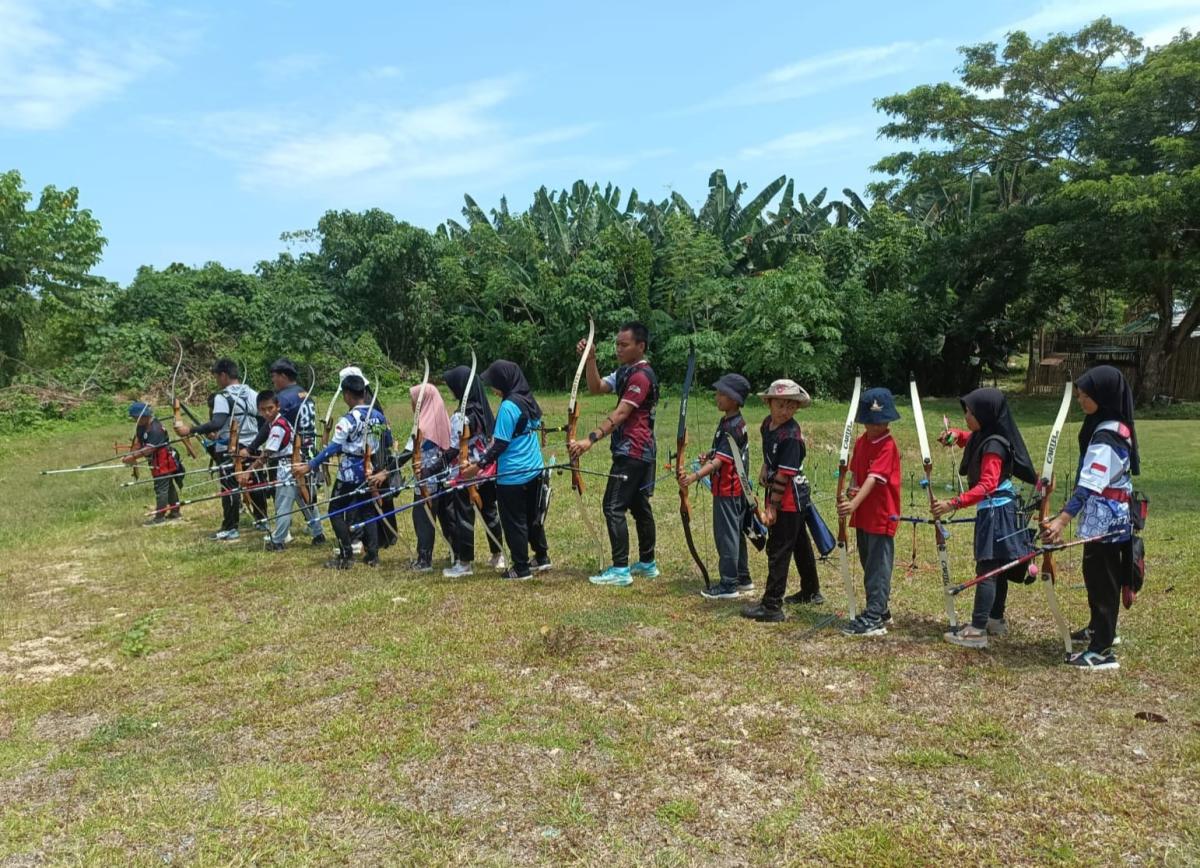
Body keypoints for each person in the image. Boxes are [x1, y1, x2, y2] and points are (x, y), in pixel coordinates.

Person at [1042, 365, 1140, 671]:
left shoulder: (1108, 434)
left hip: (1107, 525)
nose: (1080, 400)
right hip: (1106, 522)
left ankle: (1102, 651)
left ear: (1103, 396)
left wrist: (1060, 521)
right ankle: (1099, 629)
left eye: (1085, 395)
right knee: (1097, 579)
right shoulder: (1107, 424)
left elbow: (1090, 484)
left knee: (1103, 583)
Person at [932, 389, 1038, 648]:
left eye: (969, 412)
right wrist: (957, 435)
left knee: (989, 568)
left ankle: (977, 630)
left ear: (984, 414)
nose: (966, 416)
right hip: (1001, 510)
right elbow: (972, 438)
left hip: (996, 512)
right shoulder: (989, 436)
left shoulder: (993, 446)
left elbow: (988, 485)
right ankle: (994, 619)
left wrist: (952, 503)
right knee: (999, 567)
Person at [568, 321, 660, 586]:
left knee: (613, 505)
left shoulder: (641, 376)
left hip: (633, 451)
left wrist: (590, 439)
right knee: (638, 505)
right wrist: (591, 359)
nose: (619, 349)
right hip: (638, 450)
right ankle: (647, 563)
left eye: (624, 344)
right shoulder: (625, 372)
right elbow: (596, 387)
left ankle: (620, 570)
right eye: (617, 344)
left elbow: (621, 413)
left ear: (640, 346)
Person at [462, 360, 550, 581]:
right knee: (532, 517)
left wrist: (477, 467)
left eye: (494, 383)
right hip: (534, 470)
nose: (492, 388)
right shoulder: (527, 399)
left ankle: (521, 568)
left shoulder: (508, 406)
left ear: (504, 381)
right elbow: (534, 424)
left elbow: (499, 445)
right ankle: (541, 557)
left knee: (514, 522)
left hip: (512, 476)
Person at [743, 379, 821, 621]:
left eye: (791, 406)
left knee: (778, 549)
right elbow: (770, 455)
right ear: (769, 403)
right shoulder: (768, 425)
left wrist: (772, 509)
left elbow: (784, 478)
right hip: (784, 494)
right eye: (780, 405)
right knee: (798, 543)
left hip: (789, 498)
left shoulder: (791, 436)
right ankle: (811, 591)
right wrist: (765, 468)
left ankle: (772, 605)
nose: (785, 411)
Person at [678, 373, 755, 601]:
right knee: (735, 534)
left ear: (735, 399)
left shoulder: (733, 426)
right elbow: (724, 453)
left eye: (722, 394)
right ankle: (743, 578)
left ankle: (729, 584)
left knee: (727, 536)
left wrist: (694, 477)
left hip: (729, 490)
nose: (717, 396)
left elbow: (721, 461)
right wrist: (710, 454)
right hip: (734, 488)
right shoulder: (730, 422)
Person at [298, 374, 388, 569]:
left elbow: (333, 447)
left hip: (349, 472)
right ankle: (373, 555)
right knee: (367, 509)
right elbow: (387, 442)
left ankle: (346, 556)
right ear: (364, 392)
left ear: (347, 395)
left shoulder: (348, 419)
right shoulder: (378, 416)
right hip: (368, 469)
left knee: (335, 511)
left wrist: (311, 464)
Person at [173, 358, 263, 541]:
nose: (216, 380)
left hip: (229, 448)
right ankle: (262, 520)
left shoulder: (222, 397)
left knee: (229, 487)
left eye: (216, 376)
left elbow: (218, 423)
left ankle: (230, 528)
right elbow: (262, 420)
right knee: (254, 482)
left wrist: (190, 430)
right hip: (252, 446)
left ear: (223, 375)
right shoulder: (253, 393)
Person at [837, 387, 901, 637]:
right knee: (867, 561)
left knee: (878, 565)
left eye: (881, 421)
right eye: (871, 421)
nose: (877, 426)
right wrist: (849, 492)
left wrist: (853, 504)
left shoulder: (888, 445)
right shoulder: (863, 442)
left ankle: (875, 616)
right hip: (864, 514)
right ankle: (880, 608)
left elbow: (874, 479)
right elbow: (857, 474)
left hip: (881, 514)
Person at [443, 365, 506, 577]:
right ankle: (498, 555)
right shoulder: (483, 410)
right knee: (489, 511)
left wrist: (435, 465)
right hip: (486, 470)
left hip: (466, 472)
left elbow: (455, 448)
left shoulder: (461, 416)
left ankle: (464, 563)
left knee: (464, 516)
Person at [397, 380, 456, 572]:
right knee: (447, 517)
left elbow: (406, 454)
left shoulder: (421, 426)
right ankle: (456, 554)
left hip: (426, 480)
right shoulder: (443, 419)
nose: (412, 405)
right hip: (444, 478)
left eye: (414, 401)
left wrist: (384, 471)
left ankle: (424, 560)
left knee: (423, 518)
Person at [268, 358, 325, 545]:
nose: (273, 381)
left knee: (284, 501)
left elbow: (274, 425)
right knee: (304, 495)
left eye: (274, 377)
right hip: (308, 452)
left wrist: (253, 448)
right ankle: (318, 532)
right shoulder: (304, 393)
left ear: (284, 376)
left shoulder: (284, 398)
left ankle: (278, 539)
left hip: (292, 455)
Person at [247, 390, 312, 551]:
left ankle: (278, 541)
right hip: (293, 465)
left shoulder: (277, 426)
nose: (267, 413)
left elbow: (266, 454)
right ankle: (318, 532)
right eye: (262, 409)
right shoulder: (276, 422)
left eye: (270, 408)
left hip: (287, 468)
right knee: (304, 501)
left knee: (282, 505)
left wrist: (248, 470)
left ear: (278, 406)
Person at [124, 402, 185, 526]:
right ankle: (175, 512)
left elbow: (149, 449)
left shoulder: (156, 429)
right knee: (168, 487)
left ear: (145, 416)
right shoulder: (141, 426)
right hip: (155, 461)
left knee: (161, 488)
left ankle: (160, 517)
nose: (135, 420)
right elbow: (140, 443)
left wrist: (133, 456)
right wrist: (131, 455)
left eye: (137, 418)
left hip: (163, 461)